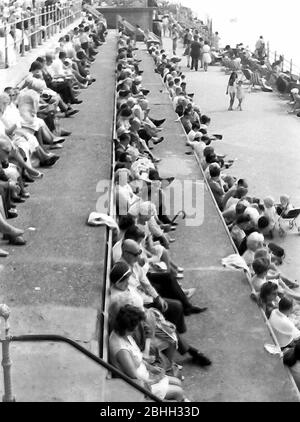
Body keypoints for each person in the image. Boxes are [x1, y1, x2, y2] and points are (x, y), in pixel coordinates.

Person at [109, 305, 187, 401]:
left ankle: (182, 399)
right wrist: (156, 379)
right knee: (178, 392)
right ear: (128, 328)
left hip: (146, 374)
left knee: (177, 382)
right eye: (136, 326)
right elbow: (135, 379)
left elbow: (136, 358)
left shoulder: (123, 334)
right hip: (143, 386)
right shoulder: (122, 351)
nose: (137, 328)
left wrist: (151, 368)